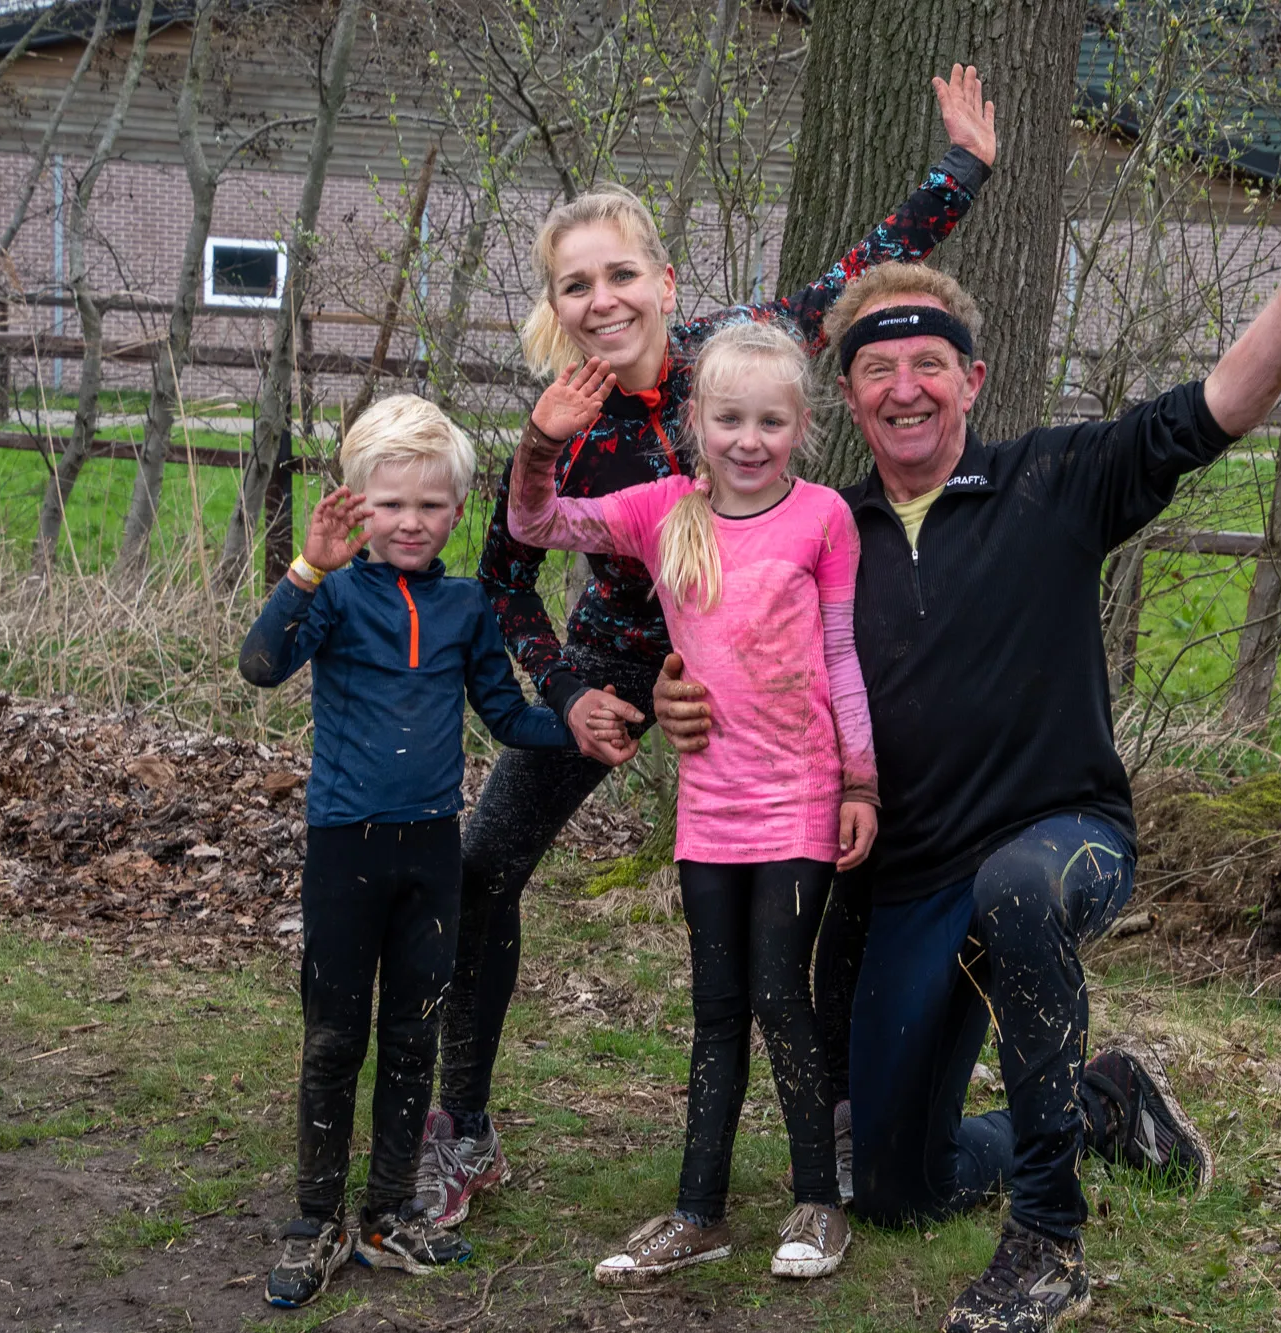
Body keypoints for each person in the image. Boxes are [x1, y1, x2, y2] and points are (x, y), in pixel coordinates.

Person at [654, 109, 1281, 1332]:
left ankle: (1046, 1242)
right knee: (891, 1186)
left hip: (1058, 838)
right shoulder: (821, 535)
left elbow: (1221, 402)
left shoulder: (1057, 480)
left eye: (929, 364)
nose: (904, 388)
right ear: (845, 396)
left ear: (970, 378)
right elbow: (734, 655)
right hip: (906, 880)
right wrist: (672, 693)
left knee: (1018, 889)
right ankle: (1105, 1104)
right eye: (876, 370)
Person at [417, 65, 1001, 1230]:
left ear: (662, 281)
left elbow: (860, 269)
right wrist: (570, 694)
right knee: (480, 870)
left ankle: (841, 1116)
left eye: (620, 274)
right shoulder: (564, 420)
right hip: (621, 662)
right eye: (576, 285)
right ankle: (463, 1129)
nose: (602, 300)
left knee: (846, 860)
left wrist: (962, 170)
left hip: (769, 661)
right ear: (556, 306)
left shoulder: (733, 354)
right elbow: (505, 577)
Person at [239, 395, 635, 1310]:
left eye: (430, 504)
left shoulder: (464, 606)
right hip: (346, 848)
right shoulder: (335, 594)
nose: (410, 522)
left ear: (458, 508)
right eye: (391, 504)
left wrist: (581, 727)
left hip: (430, 852)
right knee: (335, 1036)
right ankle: (315, 1220)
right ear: (358, 504)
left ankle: (388, 1213)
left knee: (415, 1033)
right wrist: (306, 568)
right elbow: (261, 665)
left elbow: (506, 714)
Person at [511, 321, 877, 1282]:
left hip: (800, 797)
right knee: (716, 1006)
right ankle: (697, 1212)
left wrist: (860, 781)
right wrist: (542, 443)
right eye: (728, 420)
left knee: (778, 993)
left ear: (802, 426)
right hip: (709, 805)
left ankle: (817, 1203)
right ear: (696, 423)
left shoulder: (824, 519)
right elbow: (536, 525)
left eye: (769, 422)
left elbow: (842, 658)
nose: (748, 441)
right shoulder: (662, 512)